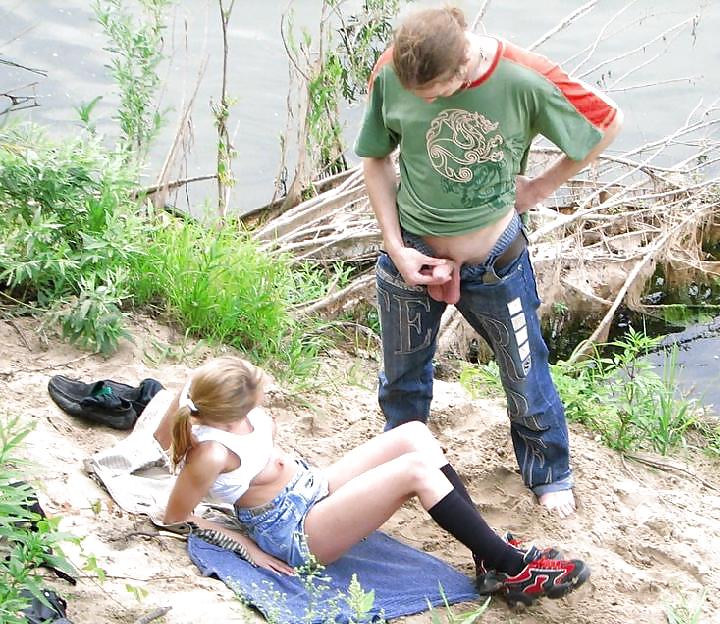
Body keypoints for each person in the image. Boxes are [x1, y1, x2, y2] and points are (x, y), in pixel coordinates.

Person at [354, 4, 623, 518]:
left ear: (461, 67)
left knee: (525, 370)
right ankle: (403, 460)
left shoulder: (522, 76)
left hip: (496, 259)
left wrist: (542, 185)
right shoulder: (391, 71)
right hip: (413, 251)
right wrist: (395, 247)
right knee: (401, 375)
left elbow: (606, 120)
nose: (424, 101)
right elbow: (376, 157)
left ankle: (549, 472)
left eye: (434, 93)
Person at [153, 356, 590, 606]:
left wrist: (186, 389)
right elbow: (174, 514)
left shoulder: (204, 391)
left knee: (413, 435)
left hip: (310, 488)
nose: (262, 399)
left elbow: (171, 420)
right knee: (416, 472)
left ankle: (486, 554)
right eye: (252, 398)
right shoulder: (210, 454)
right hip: (294, 533)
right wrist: (245, 546)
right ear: (225, 412)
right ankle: (515, 570)